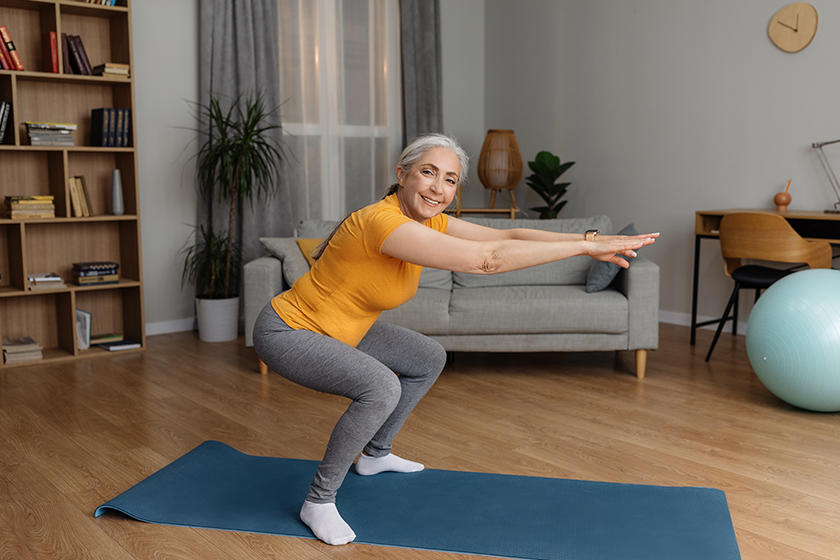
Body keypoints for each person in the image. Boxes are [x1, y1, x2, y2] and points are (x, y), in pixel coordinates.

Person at [253, 134, 658, 546]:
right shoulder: (383, 222)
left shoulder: (430, 220)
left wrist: (589, 242)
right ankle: (318, 502)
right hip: (289, 330)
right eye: (428, 173)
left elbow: (511, 237)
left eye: (449, 180)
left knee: (427, 356)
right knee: (380, 387)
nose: (438, 188)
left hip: (345, 329)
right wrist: (583, 250)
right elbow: (488, 260)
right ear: (403, 175)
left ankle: (375, 455)